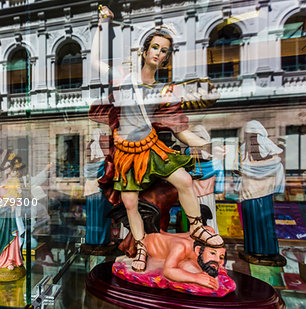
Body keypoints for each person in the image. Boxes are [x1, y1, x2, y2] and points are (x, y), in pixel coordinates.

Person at [89, 6, 223, 272]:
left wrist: (207, 145)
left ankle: (196, 226)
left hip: (150, 148)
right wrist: (102, 24)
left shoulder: (163, 91)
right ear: (145, 50)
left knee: (184, 179)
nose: (159, 54)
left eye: (163, 51)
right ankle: (141, 247)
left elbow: (180, 131)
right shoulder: (124, 79)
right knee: (130, 203)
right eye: (155, 48)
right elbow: (94, 61)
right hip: (126, 153)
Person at [236, 120, 286, 266]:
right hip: (263, 192)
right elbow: (277, 158)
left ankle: (253, 249)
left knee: (252, 222)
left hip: (250, 192)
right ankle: (268, 250)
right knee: (265, 222)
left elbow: (240, 168)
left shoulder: (245, 146)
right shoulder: (265, 142)